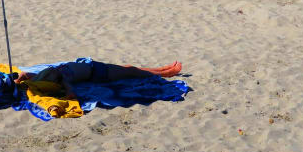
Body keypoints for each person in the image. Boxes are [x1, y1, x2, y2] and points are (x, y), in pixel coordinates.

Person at [15, 60, 182, 99]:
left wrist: (17, 82)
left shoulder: (44, 75)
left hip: (92, 65)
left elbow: (24, 75)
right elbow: (71, 94)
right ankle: (163, 73)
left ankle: (161, 70)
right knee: (130, 71)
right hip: (98, 73)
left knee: (129, 69)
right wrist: (64, 94)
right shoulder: (62, 78)